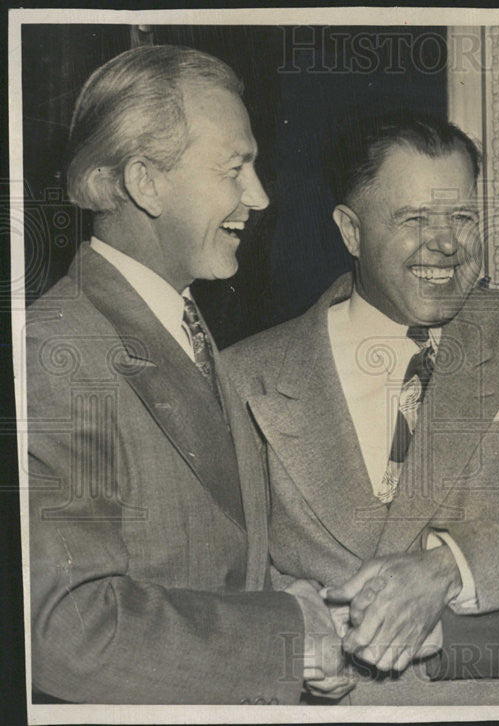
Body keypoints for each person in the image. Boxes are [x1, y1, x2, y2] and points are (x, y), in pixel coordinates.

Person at [26, 45, 351, 704]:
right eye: (236, 167)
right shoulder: (53, 354)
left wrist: (279, 602)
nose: (258, 198)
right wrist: (285, 635)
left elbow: (204, 561)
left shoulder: (187, 328)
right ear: (146, 183)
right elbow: (63, 630)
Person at [225, 113, 499, 704]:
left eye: (463, 218)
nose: (447, 244)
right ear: (350, 230)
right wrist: (296, 626)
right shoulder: (249, 372)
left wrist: (447, 566)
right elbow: (230, 561)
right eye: (415, 218)